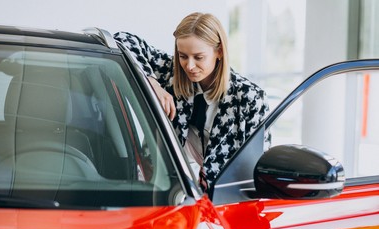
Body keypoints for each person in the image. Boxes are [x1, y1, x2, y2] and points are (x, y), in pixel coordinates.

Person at [114, 12, 270, 194]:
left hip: (223, 203)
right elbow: (121, 39)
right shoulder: (169, 73)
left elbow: (257, 168)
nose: (189, 66)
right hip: (166, 193)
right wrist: (153, 84)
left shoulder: (250, 99)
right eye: (183, 56)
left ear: (219, 51)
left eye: (198, 57)